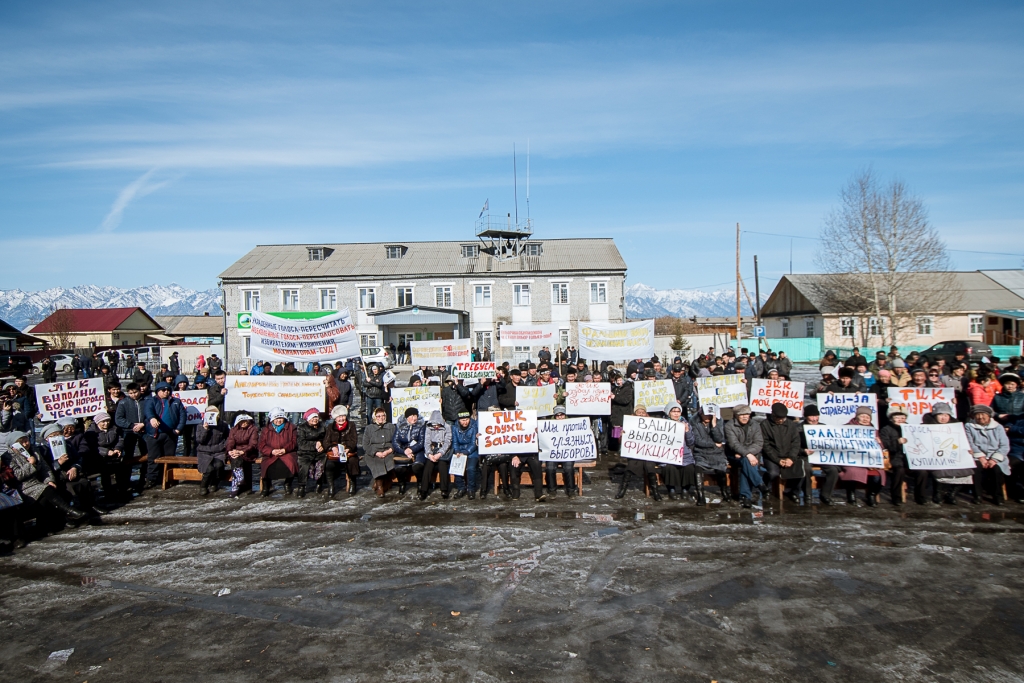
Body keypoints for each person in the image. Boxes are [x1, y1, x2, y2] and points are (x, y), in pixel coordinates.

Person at [142, 382, 186, 489]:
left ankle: (168, 477)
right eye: (163, 390)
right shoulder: (152, 400)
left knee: (169, 457)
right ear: (158, 391)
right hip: (155, 434)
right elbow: (148, 411)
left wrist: (178, 429)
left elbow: (182, 415)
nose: (166, 392)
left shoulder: (176, 401)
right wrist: (152, 418)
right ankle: (152, 479)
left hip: (170, 434)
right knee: (154, 457)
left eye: (168, 390)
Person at [837, 406, 884, 506]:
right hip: (851, 460)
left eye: (868, 417)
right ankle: (851, 494)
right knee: (852, 471)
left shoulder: (873, 430)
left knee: (878, 474)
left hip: (870, 461)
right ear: (857, 417)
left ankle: (871, 496)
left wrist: (879, 443)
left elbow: (880, 450)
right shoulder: (846, 427)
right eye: (862, 416)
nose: (865, 419)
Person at [761, 402, 806, 503]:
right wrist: (777, 460)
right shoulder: (765, 425)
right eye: (778, 418)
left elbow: (796, 443)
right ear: (773, 415)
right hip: (772, 456)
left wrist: (791, 457)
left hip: (789, 455)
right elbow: (766, 445)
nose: (781, 420)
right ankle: (765, 487)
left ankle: (794, 492)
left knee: (801, 471)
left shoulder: (791, 425)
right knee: (773, 473)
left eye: (783, 418)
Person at [966, 404, 1010, 505]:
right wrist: (981, 457)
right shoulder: (969, 426)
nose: (980, 417)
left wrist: (994, 459)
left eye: (983, 414)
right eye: (977, 415)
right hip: (978, 456)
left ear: (989, 415)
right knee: (976, 468)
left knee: (997, 470)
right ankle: (977, 495)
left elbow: (1004, 446)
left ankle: (998, 496)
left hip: (996, 456)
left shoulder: (998, 427)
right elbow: (970, 443)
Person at [724, 404, 766, 508]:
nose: (745, 416)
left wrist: (749, 454)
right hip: (734, 454)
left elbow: (759, 443)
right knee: (747, 462)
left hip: (751, 455)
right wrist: (747, 454)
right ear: (736, 415)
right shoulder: (729, 425)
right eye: (741, 414)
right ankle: (759, 484)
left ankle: (745, 497)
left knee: (746, 463)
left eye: (747, 414)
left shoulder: (755, 425)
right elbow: (733, 444)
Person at [86, 411, 131, 503]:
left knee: (121, 469)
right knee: (105, 471)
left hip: (113, 453)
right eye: (103, 422)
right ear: (98, 422)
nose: (106, 423)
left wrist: (118, 448)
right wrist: (106, 452)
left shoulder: (114, 428)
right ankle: (108, 493)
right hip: (98, 456)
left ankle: (122, 490)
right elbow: (92, 446)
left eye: (107, 421)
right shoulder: (91, 432)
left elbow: (120, 439)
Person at [690, 406, 730, 505]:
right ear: (700, 414)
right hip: (701, 452)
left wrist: (714, 426)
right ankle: (700, 495)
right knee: (698, 468)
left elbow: (719, 438)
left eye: (710, 415)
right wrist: (713, 444)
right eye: (705, 414)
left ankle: (724, 492)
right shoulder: (694, 422)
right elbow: (698, 441)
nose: (707, 416)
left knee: (721, 469)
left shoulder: (719, 421)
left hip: (716, 453)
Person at [659, 402, 695, 501]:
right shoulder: (661, 424)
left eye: (678, 411)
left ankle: (685, 490)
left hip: (684, 453)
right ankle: (671, 490)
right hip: (667, 454)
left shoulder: (686, 423)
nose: (676, 413)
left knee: (689, 467)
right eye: (673, 411)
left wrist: (687, 431)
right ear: (668, 413)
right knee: (669, 467)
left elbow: (691, 442)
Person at [258, 407, 298, 496]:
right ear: (272, 419)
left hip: (287, 452)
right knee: (266, 466)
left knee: (291, 463)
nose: (278, 420)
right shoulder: (266, 430)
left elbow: (294, 441)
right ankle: (266, 487)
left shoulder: (291, 428)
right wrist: (272, 451)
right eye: (276, 418)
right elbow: (261, 445)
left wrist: (284, 450)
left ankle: (288, 484)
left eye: (280, 418)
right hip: (271, 454)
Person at [323, 405, 359, 497]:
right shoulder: (330, 427)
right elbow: (326, 442)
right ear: (335, 418)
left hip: (348, 451)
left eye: (343, 416)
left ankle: (352, 483)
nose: (341, 419)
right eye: (339, 417)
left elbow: (354, 440)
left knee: (352, 462)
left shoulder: (351, 425)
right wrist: (332, 447)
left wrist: (348, 448)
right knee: (329, 464)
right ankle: (331, 486)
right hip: (335, 453)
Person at [543, 405, 578, 498]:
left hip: (567, 453)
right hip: (553, 453)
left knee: (569, 468)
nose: (560, 417)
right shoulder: (549, 425)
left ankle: (571, 490)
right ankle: (552, 490)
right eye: (558, 415)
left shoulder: (572, 425)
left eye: (562, 415)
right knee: (550, 467)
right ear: (555, 416)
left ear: (565, 415)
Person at [417, 410, 452, 500]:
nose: (436, 427)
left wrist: (440, 453)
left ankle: (444, 489)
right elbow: (427, 442)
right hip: (432, 449)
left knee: (442, 465)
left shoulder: (447, 427)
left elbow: (448, 442)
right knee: (428, 465)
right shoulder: (428, 428)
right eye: (434, 425)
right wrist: (429, 454)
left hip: (443, 450)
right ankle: (424, 490)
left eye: (437, 424)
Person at [195, 406, 229, 496]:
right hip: (204, 452)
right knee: (209, 469)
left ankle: (214, 483)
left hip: (218, 451)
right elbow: (200, 440)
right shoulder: (200, 425)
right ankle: (203, 486)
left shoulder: (223, 425)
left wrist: (224, 445)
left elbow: (228, 437)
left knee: (219, 465)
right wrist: (205, 429)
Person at [879, 407, 910, 507]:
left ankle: (921, 497)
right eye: (897, 417)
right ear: (891, 418)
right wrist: (897, 442)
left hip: (910, 458)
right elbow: (885, 446)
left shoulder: (911, 428)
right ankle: (896, 497)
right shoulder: (886, 429)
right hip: (894, 457)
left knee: (923, 472)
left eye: (903, 417)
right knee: (899, 470)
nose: (900, 419)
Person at [363, 406, 397, 497]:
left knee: (388, 461)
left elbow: (395, 441)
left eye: (383, 416)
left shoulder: (390, 427)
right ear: (374, 417)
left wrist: (389, 451)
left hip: (388, 451)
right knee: (377, 463)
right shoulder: (369, 428)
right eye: (378, 416)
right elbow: (365, 445)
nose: (381, 418)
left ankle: (385, 482)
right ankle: (379, 487)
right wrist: (376, 453)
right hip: (374, 452)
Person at [392, 407, 425, 495]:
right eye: (411, 416)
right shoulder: (399, 426)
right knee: (399, 467)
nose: (414, 418)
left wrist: (412, 449)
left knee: (418, 465)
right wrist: (404, 451)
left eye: (415, 415)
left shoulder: (421, 426)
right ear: (407, 417)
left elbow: (422, 442)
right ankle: (402, 484)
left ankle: (420, 484)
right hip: (403, 451)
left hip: (417, 450)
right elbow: (395, 442)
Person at [295, 408, 327, 498]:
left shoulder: (323, 426)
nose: (315, 419)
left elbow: (327, 439)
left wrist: (322, 446)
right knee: (304, 466)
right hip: (305, 452)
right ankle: (301, 486)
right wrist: (314, 445)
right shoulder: (301, 428)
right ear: (308, 419)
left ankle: (319, 484)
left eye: (316, 417)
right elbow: (301, 443)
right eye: (313, 418)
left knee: (322, 464)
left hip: (320, 452)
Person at [226, 413, 259, 498]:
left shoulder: (253, 429)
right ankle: (240, 479)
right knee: (235, 459)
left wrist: (242, 451)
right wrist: (230, 451)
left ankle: (235, 487)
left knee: (238, 459)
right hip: (236, 451)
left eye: (246, 421)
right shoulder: (234, 429)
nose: (244, 423)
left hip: (249, 452)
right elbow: (230, 441)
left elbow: (253, 444)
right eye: (242, 421)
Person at [451, 410, 479, 499]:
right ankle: (461, 488)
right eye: (463, 420)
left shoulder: (474, 426)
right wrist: (457, 451)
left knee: (470, 468)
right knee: (457, 466)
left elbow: (474, 442)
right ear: (459, 420)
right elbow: (455, 442)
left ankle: (471, 489)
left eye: (467, 419)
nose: (465, 422)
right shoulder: (455, 428)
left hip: (471, 452)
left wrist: (466, 452)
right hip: (459, 451)